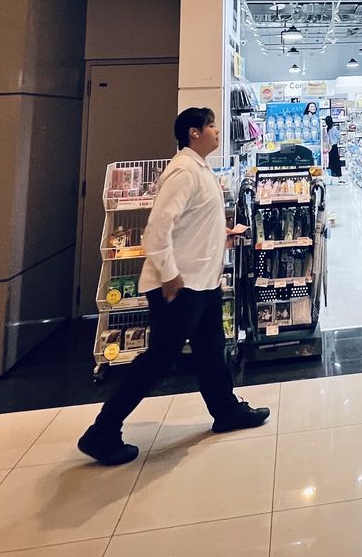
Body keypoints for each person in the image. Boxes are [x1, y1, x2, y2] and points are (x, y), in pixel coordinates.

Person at [78, 107, 269, 465]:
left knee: (211, 350)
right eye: (211, 126)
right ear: (194, 133)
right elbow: (157, 229)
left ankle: (226, 410)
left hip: (202, 282)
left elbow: (191, 224)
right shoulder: (183, 171)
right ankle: (102, 432)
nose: (216, 131)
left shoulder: (199, 168)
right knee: (160, 360)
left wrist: (223, 235)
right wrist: (168, 274)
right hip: (179, 285)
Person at [325, 114, 342, 182]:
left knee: (331, 161)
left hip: (329, 147)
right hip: (334, 146)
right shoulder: (334, 129)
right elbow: (339, 136)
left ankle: (332, 174)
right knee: (336, 160)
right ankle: (338, 174)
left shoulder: (327, 129)